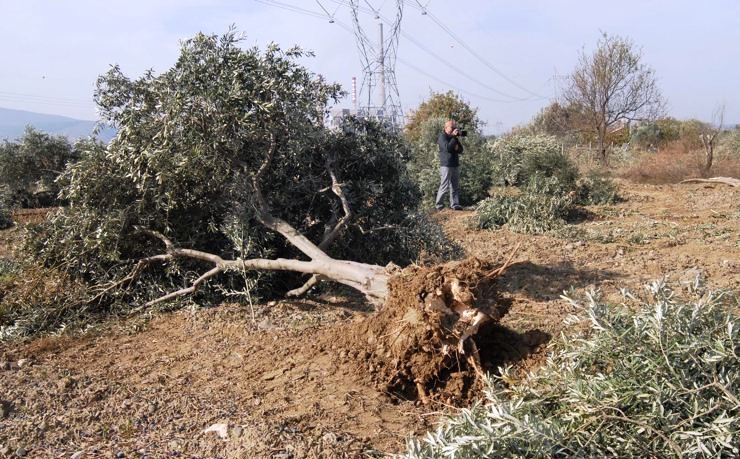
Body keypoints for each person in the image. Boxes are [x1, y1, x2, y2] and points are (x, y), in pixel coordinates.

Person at [435, 119, 464, 210]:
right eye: (452, 127)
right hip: (446, 165)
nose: (454, 129)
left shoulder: (453, 138)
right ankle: (439, 205)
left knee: (455, 186)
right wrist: (454, 139)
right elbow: (448, 148)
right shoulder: (442, 137)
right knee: (444, 185)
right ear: (446, 128)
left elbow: (460, 149)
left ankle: (455, 204)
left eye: (454, 127)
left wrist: (454, 142)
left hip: (455, 164)